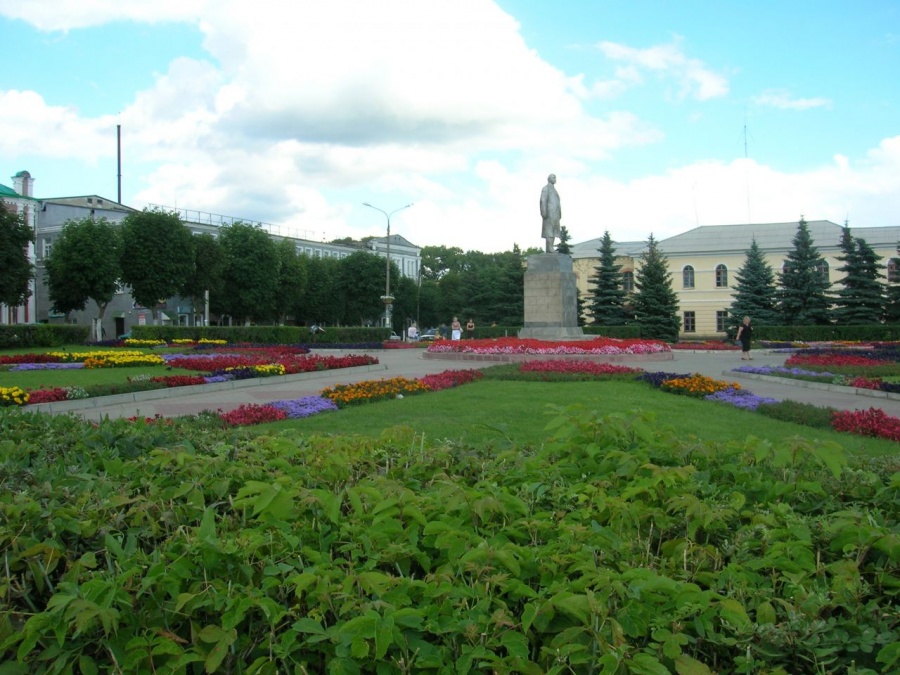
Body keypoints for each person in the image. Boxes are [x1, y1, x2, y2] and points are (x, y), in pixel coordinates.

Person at [540, 173, 561, 253]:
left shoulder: (554, 190)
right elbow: (543, 200)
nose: (555, 179)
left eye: (555, 177)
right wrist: (543, 211)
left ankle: (550, 247)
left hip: (555, 214)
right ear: (549, 179)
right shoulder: (546, 188)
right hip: (549, 213)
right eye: (553, 177)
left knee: (554, 230)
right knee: (549, 230)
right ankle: (549, 248)